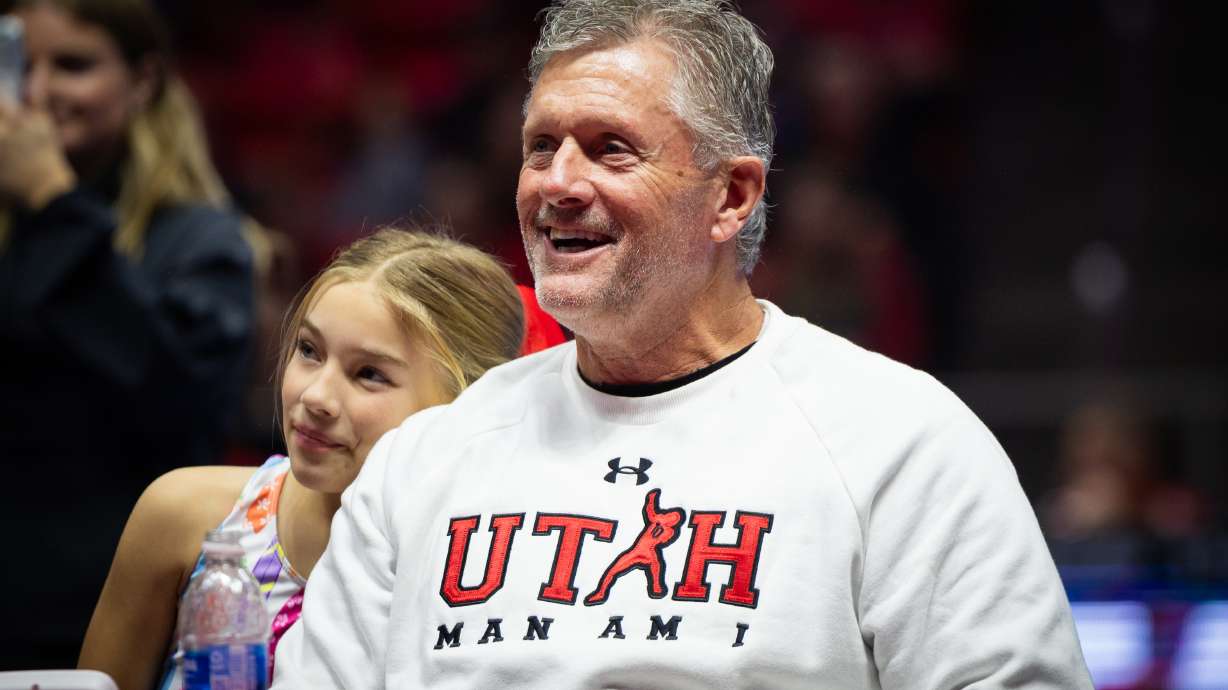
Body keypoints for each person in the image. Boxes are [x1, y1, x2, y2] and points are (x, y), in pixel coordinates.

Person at [272, 1, 1093, 687]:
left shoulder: (901, 443)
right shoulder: (424, 463)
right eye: (541, 147)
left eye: (611, 148)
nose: (557, 183)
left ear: (731, 196)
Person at [77, 228, 531, 689]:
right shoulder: (185, 515)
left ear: (467, 405)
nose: (316, 396)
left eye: (369, 374)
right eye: (309, 350)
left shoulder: (490, 573)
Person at [0, 0, 253, 667]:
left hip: (112, 617)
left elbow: (180, 409)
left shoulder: (200, 240)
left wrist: (53, 199)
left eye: (73, 65)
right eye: (23, 64)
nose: (39, 91)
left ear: (142, 81)